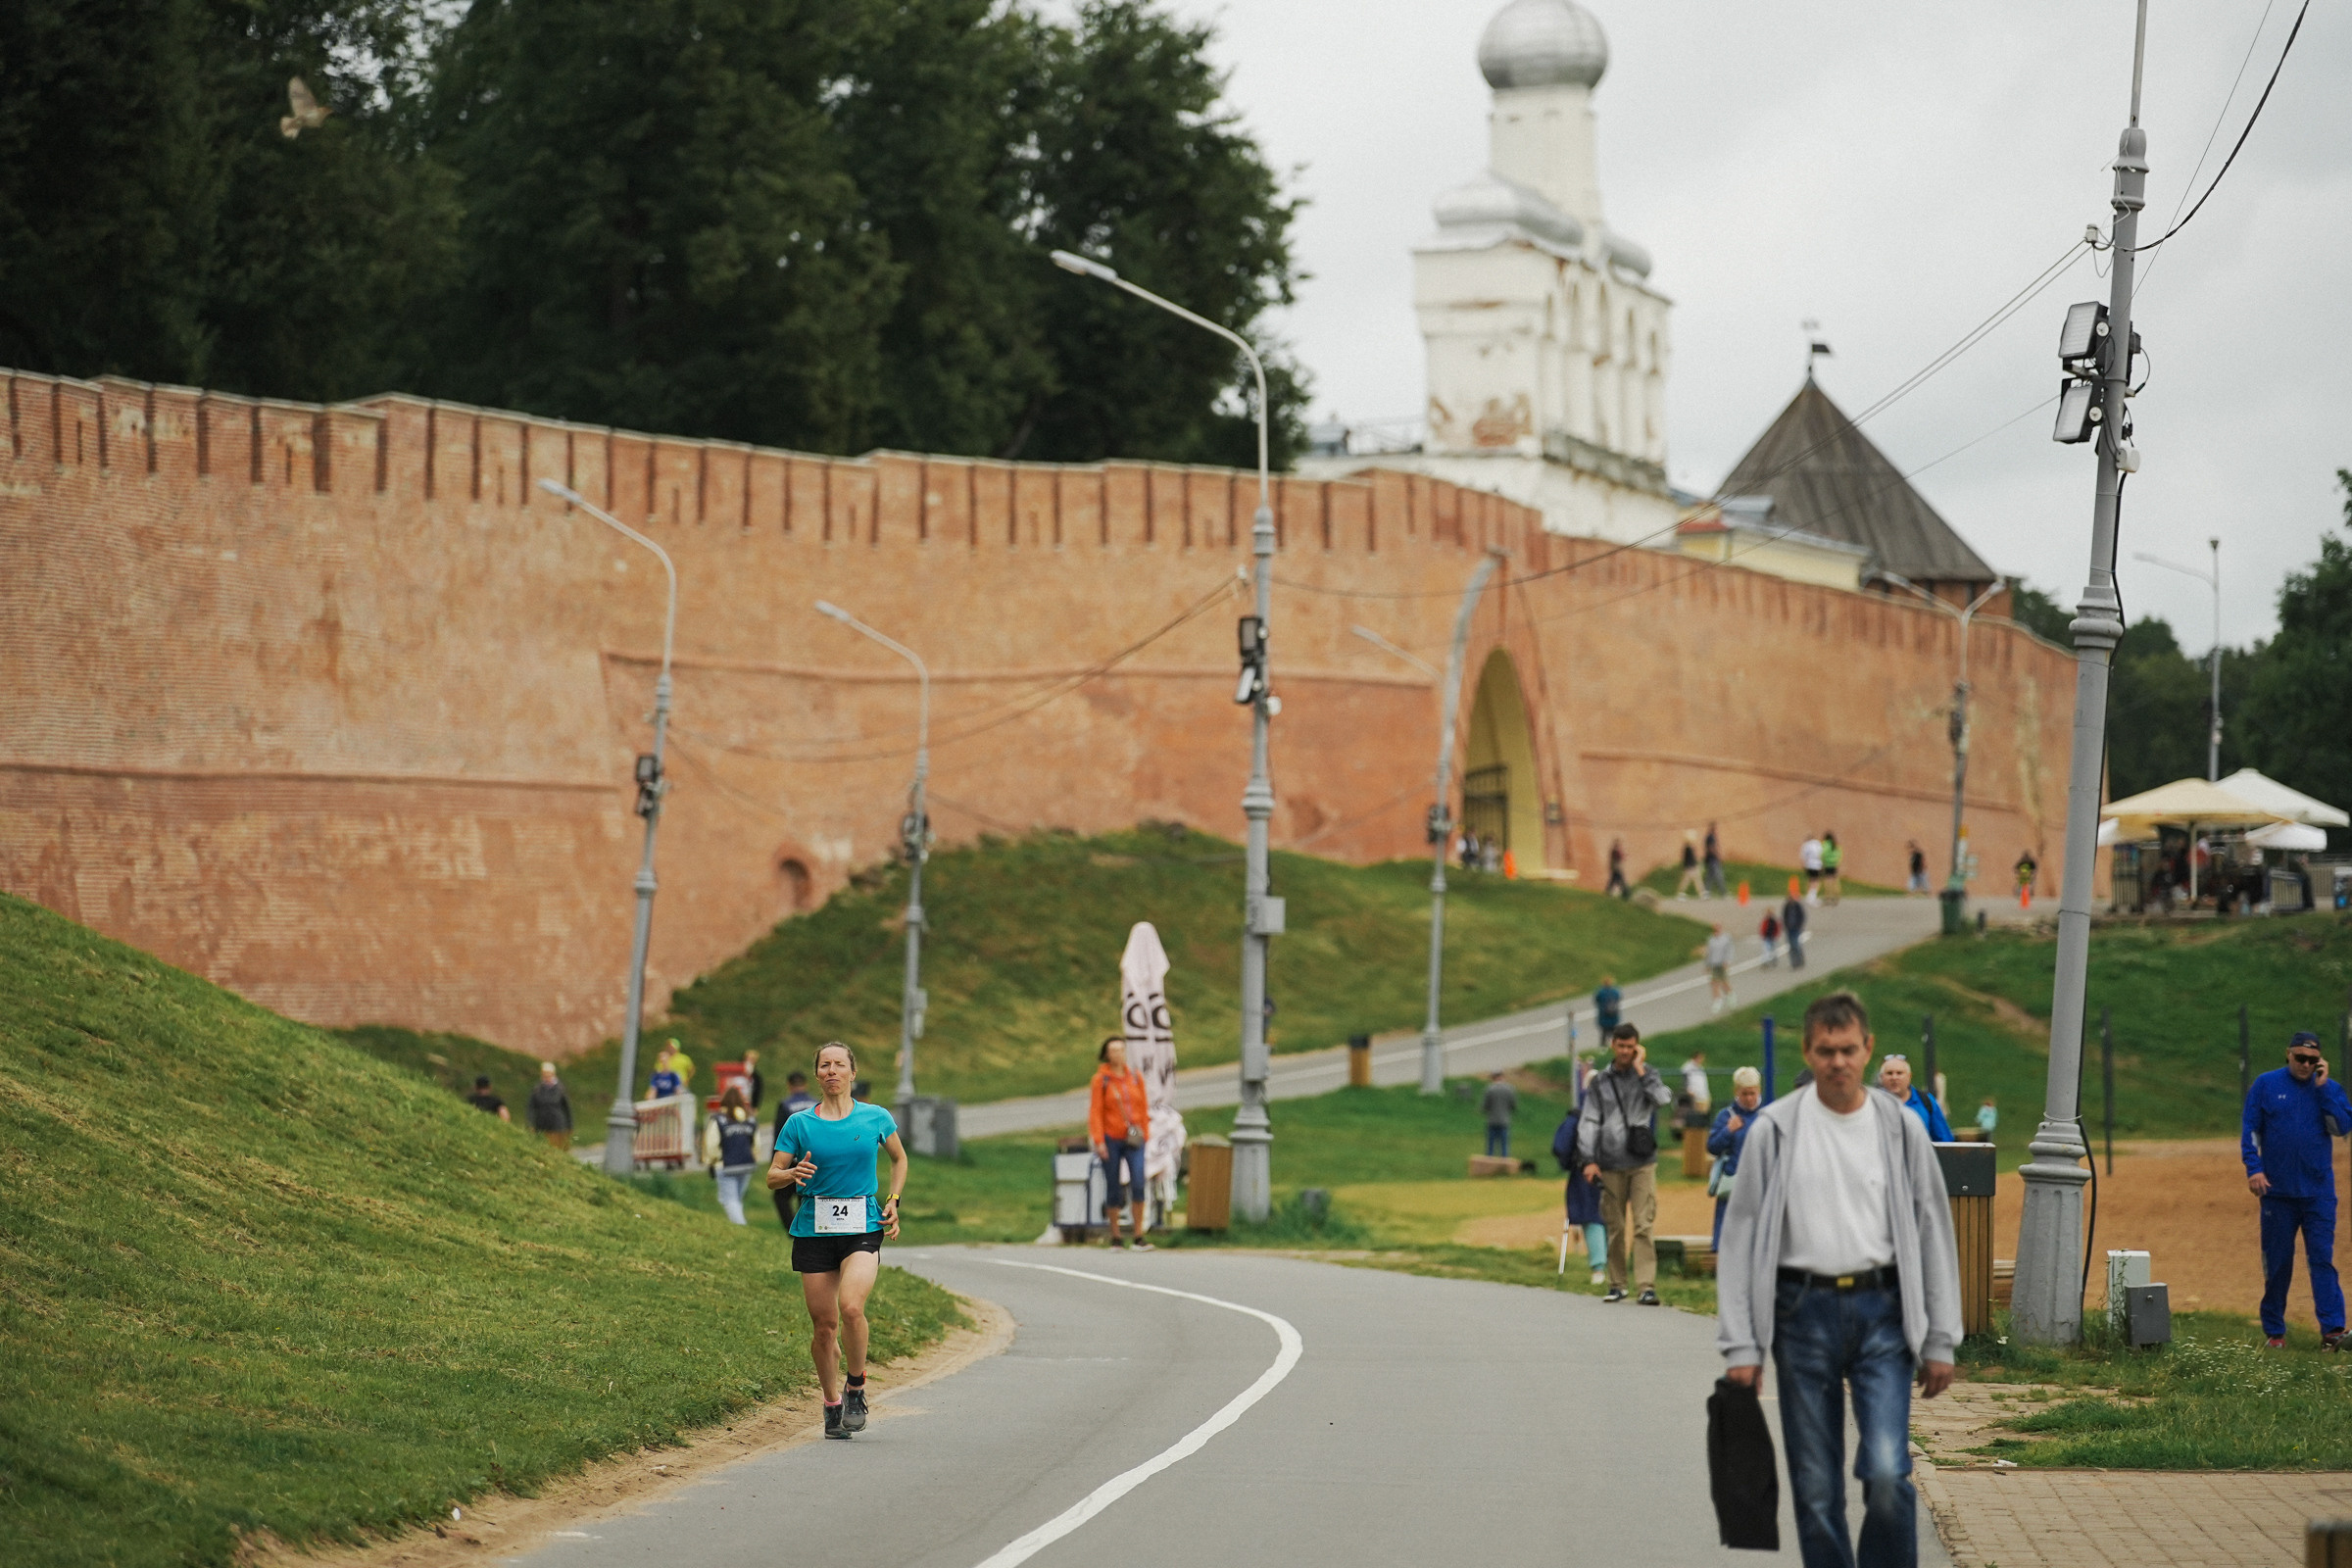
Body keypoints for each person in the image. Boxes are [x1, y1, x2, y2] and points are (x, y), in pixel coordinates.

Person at [1718, 991, 1963, 1568]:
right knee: (1816, 1486)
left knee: (1885, 1472)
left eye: (1849, 1050)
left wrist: (1940, 1337)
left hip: (1883, 1314)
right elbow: (1741, 1237)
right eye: (1826, 1051)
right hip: (1800, 1315)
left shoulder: (1900, 1128)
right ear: (1807, 1051)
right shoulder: (1774, 1130)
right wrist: (1741, 1345)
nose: (1838, 1063)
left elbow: (1932, 1229)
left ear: (1868, 1050)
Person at [768, 1042, 907, 1439]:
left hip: (863, 1226)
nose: (832, 1071)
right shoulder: (799, 1124)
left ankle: (856, 1387)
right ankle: (831, 1402)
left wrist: (894, 1200)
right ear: (817, 1075)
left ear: (851, 1072)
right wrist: (792, 1172)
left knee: (850, 1306)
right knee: (824, 1326)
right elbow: (771, 1176)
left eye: (839, 1065)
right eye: (825, 1065)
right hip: (814, 1229)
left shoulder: (875, 1117)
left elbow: (900, 1158)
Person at [2241, 1031, 2351, 1349]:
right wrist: (2254, 1169)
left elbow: (2342, 1126)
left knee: (2322, 1259)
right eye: (2300, 1058)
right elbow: (2250, 1130)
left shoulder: (2327, 1089)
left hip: (2318, 1194)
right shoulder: (2266, 1085)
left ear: (2320, 1062)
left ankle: (2333, 1332)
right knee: (2277, 1263)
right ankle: (2275, 1332)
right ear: (2288, 1054)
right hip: (2277, 1194)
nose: (2305, 1064)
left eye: (2312, 1060)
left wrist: (2324, 1088)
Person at [1578, 1023, 1673, 1304]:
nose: (1625, 1051)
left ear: (1637, 1047)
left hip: (1642, 1162)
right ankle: (1617, 1283)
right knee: (1615, 1225)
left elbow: (1663, 1099)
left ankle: (1646, 1286)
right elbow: (1589, 1122)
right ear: (1613, 1046)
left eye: (1631, 1047)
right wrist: (1588, 1160)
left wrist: (1642, 1070)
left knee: (1644, 1223)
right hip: (1609, 1162)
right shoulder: (1600, 1082)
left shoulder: (1648, 1074)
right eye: (1621, 1046)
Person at [1089, 1037, 1157, 1250]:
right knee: (1114, 1185)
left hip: (1134, 1137)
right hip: (1112, 1137)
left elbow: (1143, 1105)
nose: (1118, 1054)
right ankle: (1116, 1236)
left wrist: (1145, 1133)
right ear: (1107, 1054)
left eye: (1121, 1049)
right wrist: (1099, 1140)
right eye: (1113, 1050)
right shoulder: (1101, 1080)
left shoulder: (1135, 1077)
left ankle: (1138, 1235)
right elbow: (1096, 1112)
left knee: (1138, 1181)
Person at [1706, 1066, 1763, 1250]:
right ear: (1736, 1092)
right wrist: (1728, 1131)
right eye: (1744, 1094)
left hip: (1760, 1181)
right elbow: (1712, 1147)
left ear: (1758, 1091)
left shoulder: (1767, 1115)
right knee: (1727, 1229)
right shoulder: (1726, 1116)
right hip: (1733, 1180)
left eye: (1752, 1093)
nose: (1748, 1098)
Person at [1556, 1104, 1608, 1286]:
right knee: (1610, 1215)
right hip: (1615, 1169)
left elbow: (1561, 1146)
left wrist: (1567, 1163)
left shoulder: (1577, 1117)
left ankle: (1599, 1268)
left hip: (1584, 1172)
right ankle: (1614, 1267)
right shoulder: (1617, 1111)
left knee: (1591, 1215)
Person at [704, 1085, 761, 1224]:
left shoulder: (718, 1119)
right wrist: (754, 1157)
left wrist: (713, 1160)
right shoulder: (750, 1119)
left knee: (730, 1200)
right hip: (747, 1165)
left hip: (725, 1165)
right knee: (737, 1199)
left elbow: (711, 1144)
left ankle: (742, 1229)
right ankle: (738, 1226)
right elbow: (757, 1144)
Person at [770, 1071, 818, 1230]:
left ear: (789, 1086)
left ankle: (792, 1228)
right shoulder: (816, 1103)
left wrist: (776, 1161)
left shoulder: (785, 1105)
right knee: (805, 1196)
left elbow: (779, 1135)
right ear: (805, 1084)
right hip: (816, 1159)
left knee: (781, 1197)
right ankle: (807, 1227)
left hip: (793, 1159)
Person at [1877, 1055, 1953, 1142]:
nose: (1894, 1078)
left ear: (1909, 1076)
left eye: (1899, 1073)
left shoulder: (1926, 1101)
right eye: (1889, 1073)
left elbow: (1944, 1141)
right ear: (1881, 1077)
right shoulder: (1872, 1104)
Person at [527, 1061, 572, 1151]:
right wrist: (530, 1123)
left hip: (557, 1125)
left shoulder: (560, 1089)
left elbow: (567, 1108)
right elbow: (531, 1107)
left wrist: (569, 1126)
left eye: (548, 1074)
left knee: (558, 1149)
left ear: (553, 1074)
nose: (546, 1076)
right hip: (541, 1125)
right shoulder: (537, 1089)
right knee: (543, 1149)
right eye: (544, 1074)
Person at [1481, 1071, 1519, 1158]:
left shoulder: (1489, 1089)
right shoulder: (1510, 1089)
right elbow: (1513, 1105)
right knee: (1504, 1144)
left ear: (1493, 1078)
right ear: (1502, 1077)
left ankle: (1489, 1161)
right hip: (1504, 1120)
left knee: (1490, 1144)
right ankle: (1504, 1161)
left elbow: (1485, 1106)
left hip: (1492, 1120)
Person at [1704, 923, 1737, 1015]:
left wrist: (1727, 961)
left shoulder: (1726, 938)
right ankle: (1717, 1001)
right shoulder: (1711, 939)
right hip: (1714, 964)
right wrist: (1707, 965)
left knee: (1724, 983)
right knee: (1714, 983)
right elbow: (1709, 953)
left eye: (1717, 929)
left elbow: (1730, 950)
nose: (1716, 931)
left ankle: (1731, 996)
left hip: (1722, 964)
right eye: (1714, 929)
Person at [1682, 1050, 1712, 1117]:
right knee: (1695, 1116)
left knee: (1704, 1115)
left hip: (1703, 1095)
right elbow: (1685, 1080)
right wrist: (1688, 1090)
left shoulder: (1700, 1068)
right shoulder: (1687, 1067)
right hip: (1694, 1095)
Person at [1782, 891, 1808, 970]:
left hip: (1796, 929)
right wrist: (1785, 926)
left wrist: (1799, 926)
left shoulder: (1797, 906)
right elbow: (1784, 917)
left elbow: (1802, 917)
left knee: (1796, 945)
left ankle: (1799, 961)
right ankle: (1794, 963)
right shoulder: (1786, 906)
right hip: (1789, 929)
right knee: (1791, 946)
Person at [1593, 975, 1623, 1040]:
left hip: (1603, 1017)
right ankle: (1615, 1043)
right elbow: (1619, 998)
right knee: (1615, 1033)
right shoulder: (1615, 991)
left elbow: (1596, 1000)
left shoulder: (1600, 992)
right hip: (1614, 1016)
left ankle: (1603, 1047)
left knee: (1604, 1033)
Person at [1677, 831, 1704, 899]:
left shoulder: (1689, 848)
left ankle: (1702, 893)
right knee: (1686, 881)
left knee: (1697, 880)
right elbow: (1691, 858)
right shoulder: (1688, 848)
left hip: (1692, 867)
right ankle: (1680, 893)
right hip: (1690, 867)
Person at [1704, 821, 1727, 899]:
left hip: (1711, 860)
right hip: (1713, 860)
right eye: (1715, 828)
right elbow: (1711, 848)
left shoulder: (1711, 837)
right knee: (1719, 876)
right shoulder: (1710, 837)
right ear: (1712, 828)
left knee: (1710, 877)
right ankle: (1723, 893)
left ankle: (1707, 893)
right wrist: (1718, 856)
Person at [740, 1048, 766, 1113]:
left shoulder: (756, 1077)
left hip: (750, 1104)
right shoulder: (738, 1075)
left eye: (751, 1059)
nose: (748, 1061)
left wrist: (755, 1106)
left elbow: (758, 1092)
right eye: (747, 1058)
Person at [1820, 832, 1843, 906]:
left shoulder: (1825, 844)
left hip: (1827, 865)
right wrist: (1837, 862)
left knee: (1827, 882)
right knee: (1835, 881)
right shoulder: (1836, 845)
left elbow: (1822, 854)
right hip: (1834, 865)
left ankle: (1828, 896)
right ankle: (1837, 895)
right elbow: (1840, 854)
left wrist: (1822, 862)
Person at [1799, 835, 1825, 903]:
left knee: (1810, 879)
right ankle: (1812, 896)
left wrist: (1804, 865)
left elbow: (1803, 856)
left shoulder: (1806, 845)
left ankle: (1809, 895)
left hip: (1809, 864)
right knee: (1816, 881)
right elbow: (1821, 855)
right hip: (1817, 864)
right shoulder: (1818, 844)